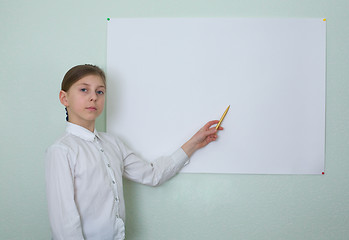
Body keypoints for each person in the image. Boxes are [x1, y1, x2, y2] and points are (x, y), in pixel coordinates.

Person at [45, 64, 223, 240]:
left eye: (100, 92)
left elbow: (153, 175)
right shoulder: (61, 150)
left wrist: (194, 143)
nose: (93, 97)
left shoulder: (112, 143)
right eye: (84, 90)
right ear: (64, 98)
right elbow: (64, 226)